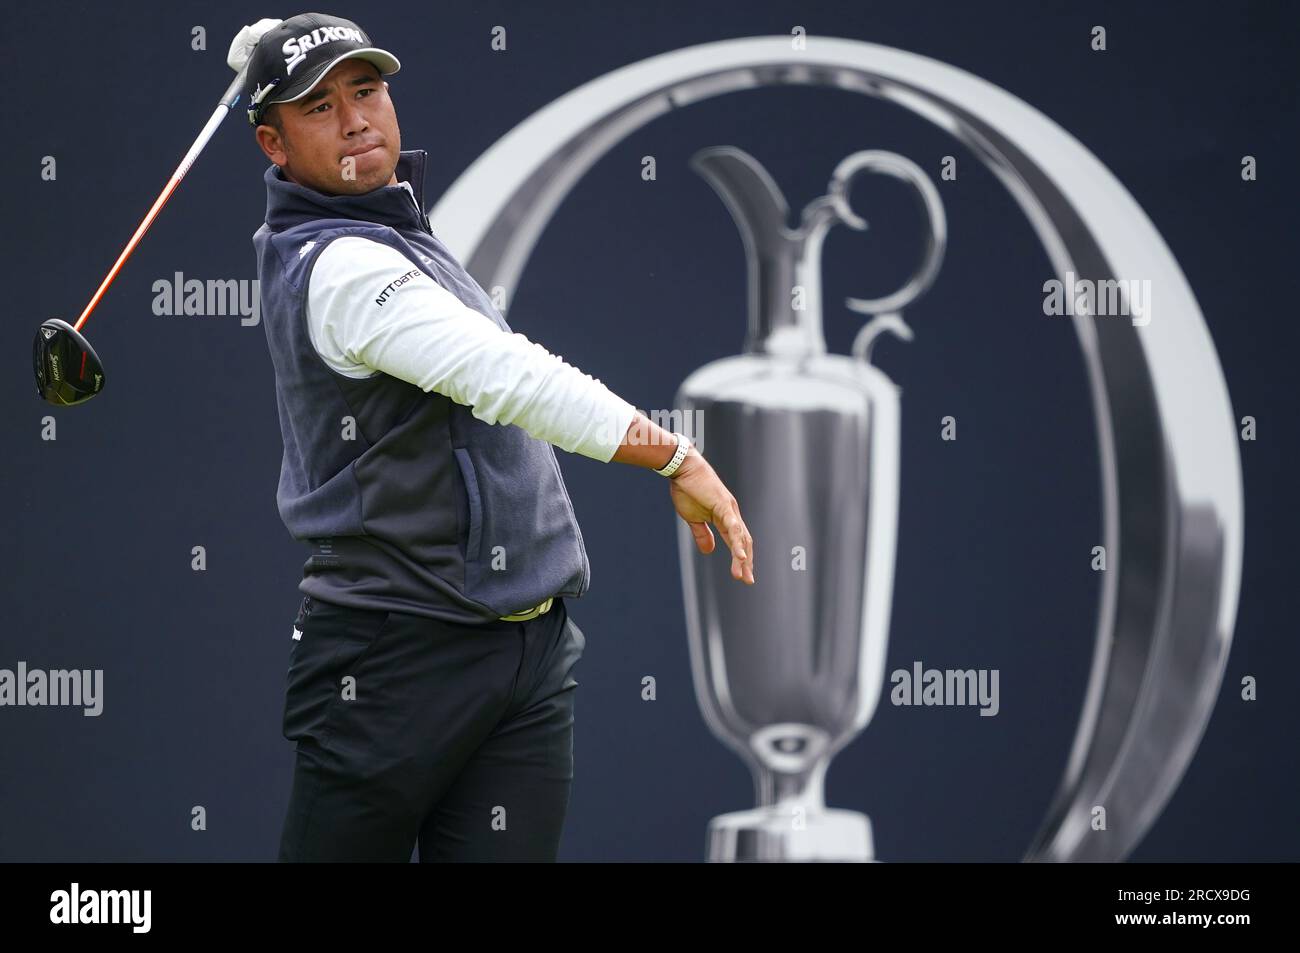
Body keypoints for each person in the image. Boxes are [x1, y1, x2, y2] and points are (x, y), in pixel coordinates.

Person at [228, 14, 755, 862]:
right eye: (319, 107)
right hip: (391, 658)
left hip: (528, 653)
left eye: (365, 90)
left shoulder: (391, 229)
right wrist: (677, 454)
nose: (356, 118)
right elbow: (511, 377)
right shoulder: (340, 268)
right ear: (273, 144)